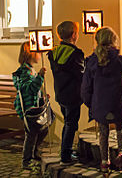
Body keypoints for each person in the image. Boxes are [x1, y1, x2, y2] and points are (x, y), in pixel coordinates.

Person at [81, 27, 122, 173]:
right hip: (117, 105)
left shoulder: (91, 62)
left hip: (99, 106)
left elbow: (85, 88)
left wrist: (91, 104)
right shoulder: (119, 60)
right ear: (113, 41)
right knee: (120, 129)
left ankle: (104, 162)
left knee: (103, 132)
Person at [47, 21, 85, 166]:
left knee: (68, 123)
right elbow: (81, 74)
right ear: (74, 35)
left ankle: (66, 150)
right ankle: (65, 155)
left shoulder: (54, 52)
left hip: (61, 94)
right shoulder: (75, 54)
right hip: (74, 95)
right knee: (71, 124)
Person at [12, 41, 48, 170]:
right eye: (37, 52)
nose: (40, 54)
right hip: (28, 109)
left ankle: (34, 152)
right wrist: (40, 77)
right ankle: (26, 160)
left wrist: (42, 97)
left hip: (34, 107)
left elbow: (35, 90)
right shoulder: (24, 72)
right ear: (30, 54)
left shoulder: (30, 70)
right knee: (31, 133)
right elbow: (29, 89)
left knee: (44, 128)